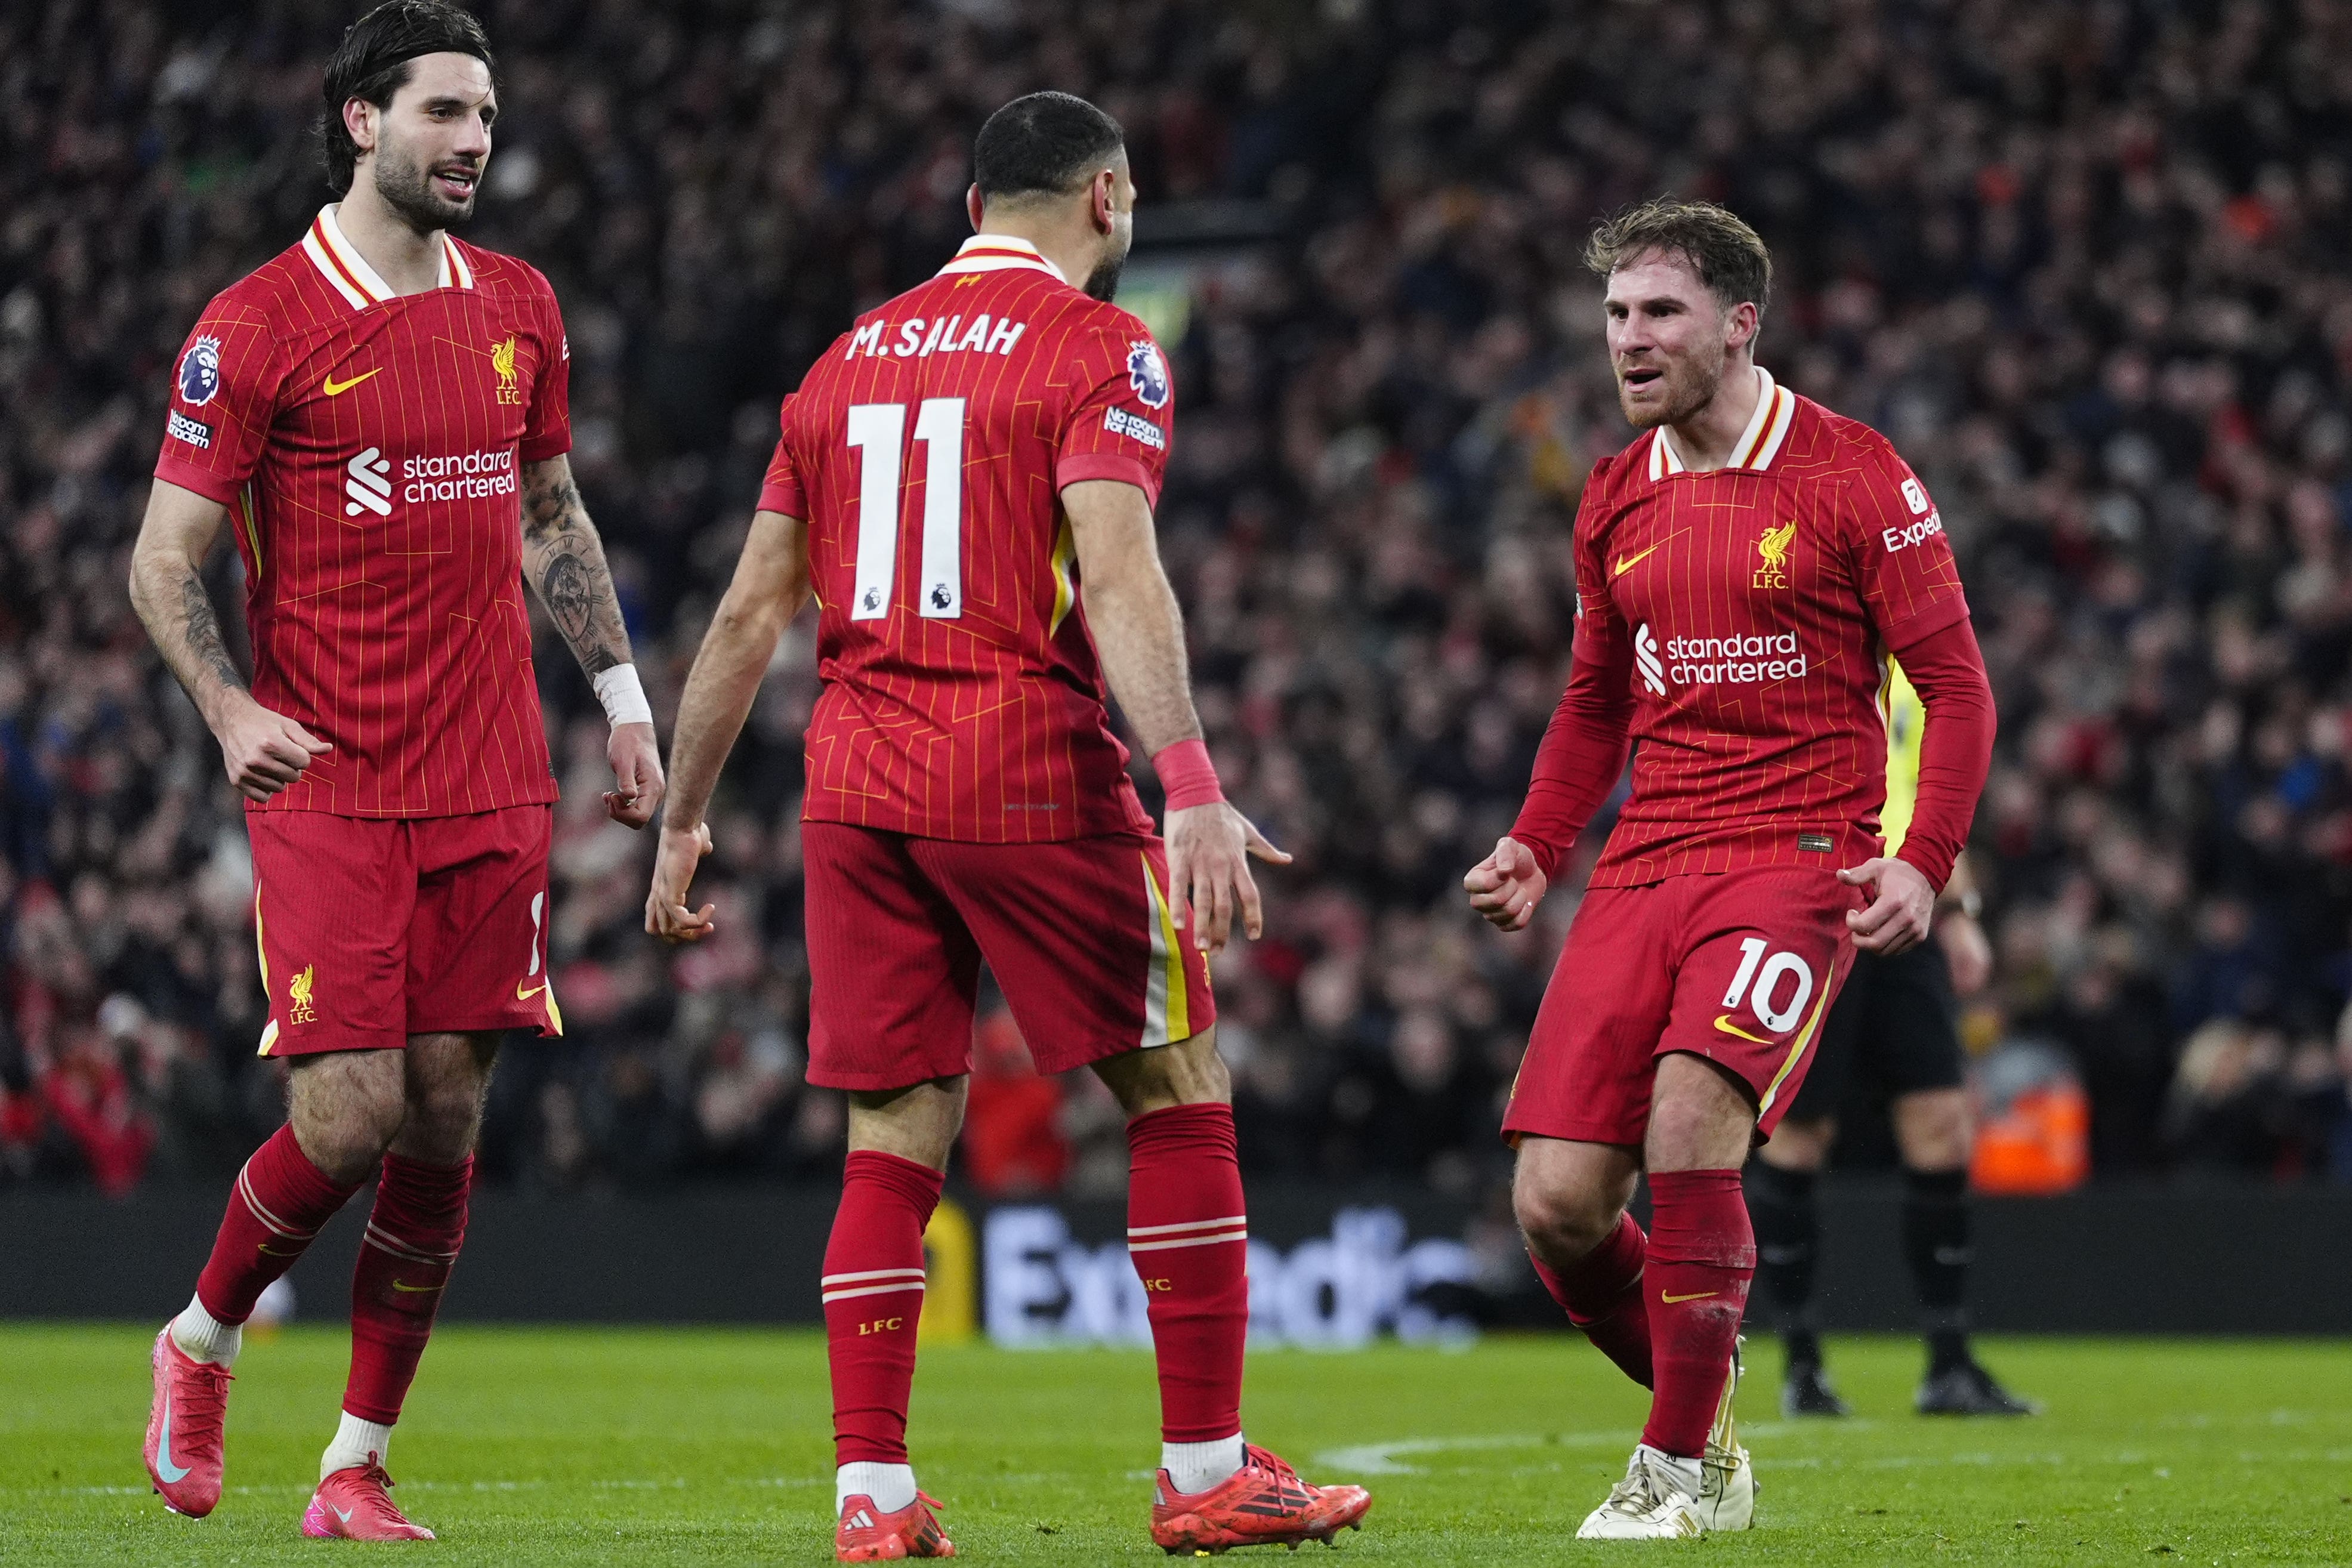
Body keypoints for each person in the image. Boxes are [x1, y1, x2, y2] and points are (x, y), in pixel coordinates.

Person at [644, 92, 1372, 1562]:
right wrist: (1191, 782)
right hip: (1019, 763)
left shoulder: (841, 361)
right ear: (1105, 197)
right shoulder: (1102, 346)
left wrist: (682, 820)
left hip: (853, 780)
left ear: (974, 209)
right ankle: (1209, 1469)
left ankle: (874, 1496)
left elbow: (746, 612)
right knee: (1179, 1084)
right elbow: (1117, 574)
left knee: (891, 1136)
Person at [129, 1, 659, 1541]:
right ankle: (202, 1336)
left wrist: (622, 698)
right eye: (443, 111)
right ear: (360, 120)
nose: (475, 140)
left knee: (443, 1119)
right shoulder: (257, 327)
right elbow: (161, 563)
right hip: (329, 777)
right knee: (348, 1115)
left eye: (485, 114)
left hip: (491, 776)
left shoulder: (518, 305)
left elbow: (551, 514)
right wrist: (229, 713)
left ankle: (354, 1461)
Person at [1462, 198, 1996, 1539]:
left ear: (1738, 324)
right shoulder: (1611, 495)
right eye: (1616, 317)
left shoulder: (1855, 473)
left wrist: (1923, 861)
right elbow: (1595, 701)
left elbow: (1958, 688)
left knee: (1690, 1127)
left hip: (1798, 855)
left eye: (1660, 315)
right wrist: (1537, 841)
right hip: (1648, 861)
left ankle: (1676, 1467)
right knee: (1557, 1205)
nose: (1628, 342)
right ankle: (1709, 1405)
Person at [1748, 662, 2037, 1417]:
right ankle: (1801, 1366)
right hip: (1817, 900)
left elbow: (1933, 796)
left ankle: (1948, 1365)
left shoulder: (1919, 672)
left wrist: (1963, 909)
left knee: (1942, 1125)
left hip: (1910, 905)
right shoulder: (1810, 644)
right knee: (1800, 1136)